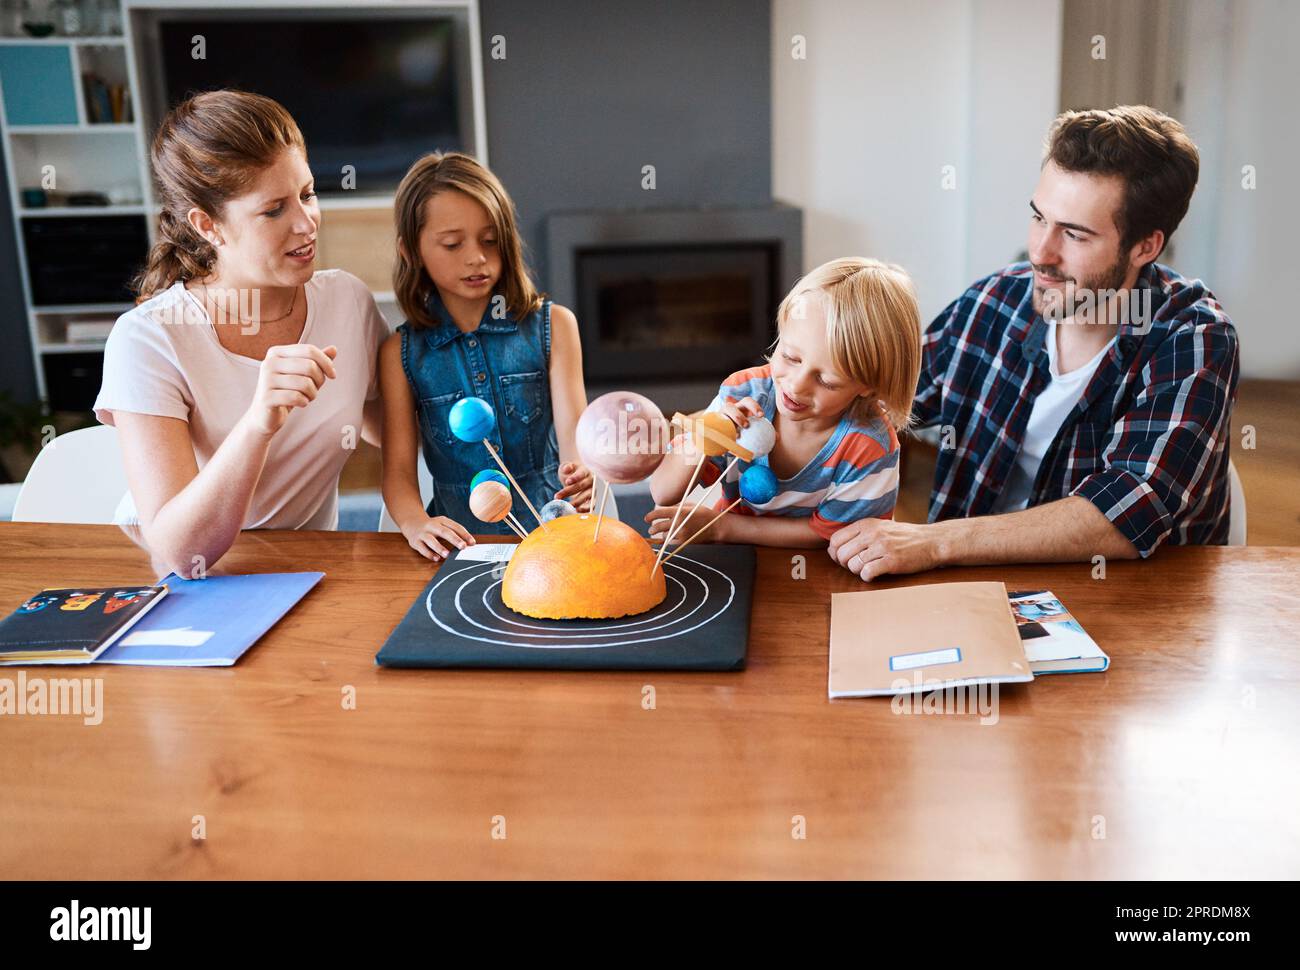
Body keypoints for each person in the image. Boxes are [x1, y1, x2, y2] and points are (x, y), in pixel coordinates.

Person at [830, 105, 1240, 581]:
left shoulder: (1192, 338)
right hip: (967, 589)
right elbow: (871, 393)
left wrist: (935, 541)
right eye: (1038, 217)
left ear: (1145, 247)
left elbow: (1127, 514)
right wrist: (760, 412)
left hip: (1125, 610)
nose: (1040, 254)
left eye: (1075, 234)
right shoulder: (996, 299)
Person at [94, 90, 388, 577]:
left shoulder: (348, 302)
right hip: (183, 581)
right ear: (208, 225)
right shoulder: (148, 340)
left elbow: (396, 425)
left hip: (309, 568)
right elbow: (182, 554)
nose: (306, 222)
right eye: (273, 210)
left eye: (307, 194)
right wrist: (259, 421)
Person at [379, 152, 593, 560]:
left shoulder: (556, 327)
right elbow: (398, 475)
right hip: (459, 552)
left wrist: (584, 475)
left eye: (490, 240)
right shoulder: (400, 354)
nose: (476, 256)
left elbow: (576, 441)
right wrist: (414, 522)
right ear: (411, 251)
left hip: (553, 545)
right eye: (452, 244)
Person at [647, 257, 921, 547]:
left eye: (826, 381)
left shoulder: (868, 445)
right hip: (735, 554)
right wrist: (705, 436)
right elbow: (663, 492)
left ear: (869, 388)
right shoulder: (744, 392)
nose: (795, 385)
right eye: (790, 357)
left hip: (815, 570)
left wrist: (722, 528)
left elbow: (832, 534)